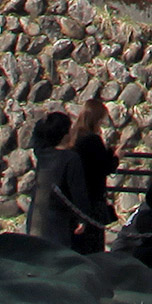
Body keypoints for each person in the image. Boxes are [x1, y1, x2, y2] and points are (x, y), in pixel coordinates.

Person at [23, 112, 107, 249]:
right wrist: (83, 218)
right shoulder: (71, 159)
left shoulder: (43, 153)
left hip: (37, 213)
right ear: (65, 133)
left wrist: (44, 121)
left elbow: (36, 137)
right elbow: (78, 191)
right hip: (60, 219)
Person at [68, 97, 120, 257]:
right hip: (93, 199)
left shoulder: (74, 137)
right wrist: (116, 156)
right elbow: (103, 167)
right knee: (93, 248)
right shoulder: (92, 140)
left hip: (75, 198)